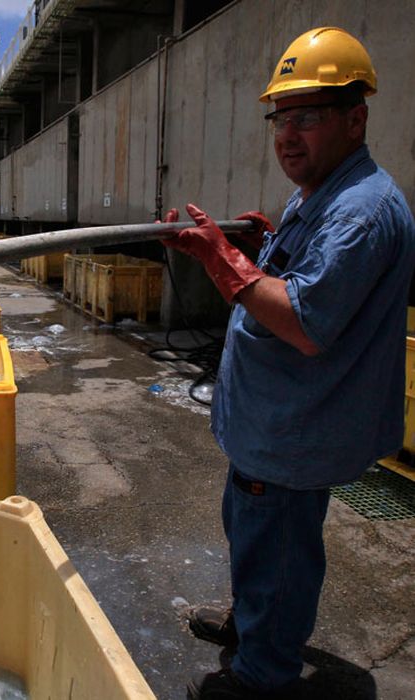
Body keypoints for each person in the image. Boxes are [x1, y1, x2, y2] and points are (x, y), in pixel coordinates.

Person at [160, 27, 415, 699]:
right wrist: (266, 242)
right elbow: (311, 274)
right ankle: (254, 628)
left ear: (356, 119)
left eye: (308, 116)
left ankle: (260, 674)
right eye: (281, 118)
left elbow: (304, 322)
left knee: (277, 552)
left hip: (297, 430)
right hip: (271, 427)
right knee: (254, 533)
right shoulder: (322, 192)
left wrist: (223, 258)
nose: (287, 135)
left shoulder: (361, 212)